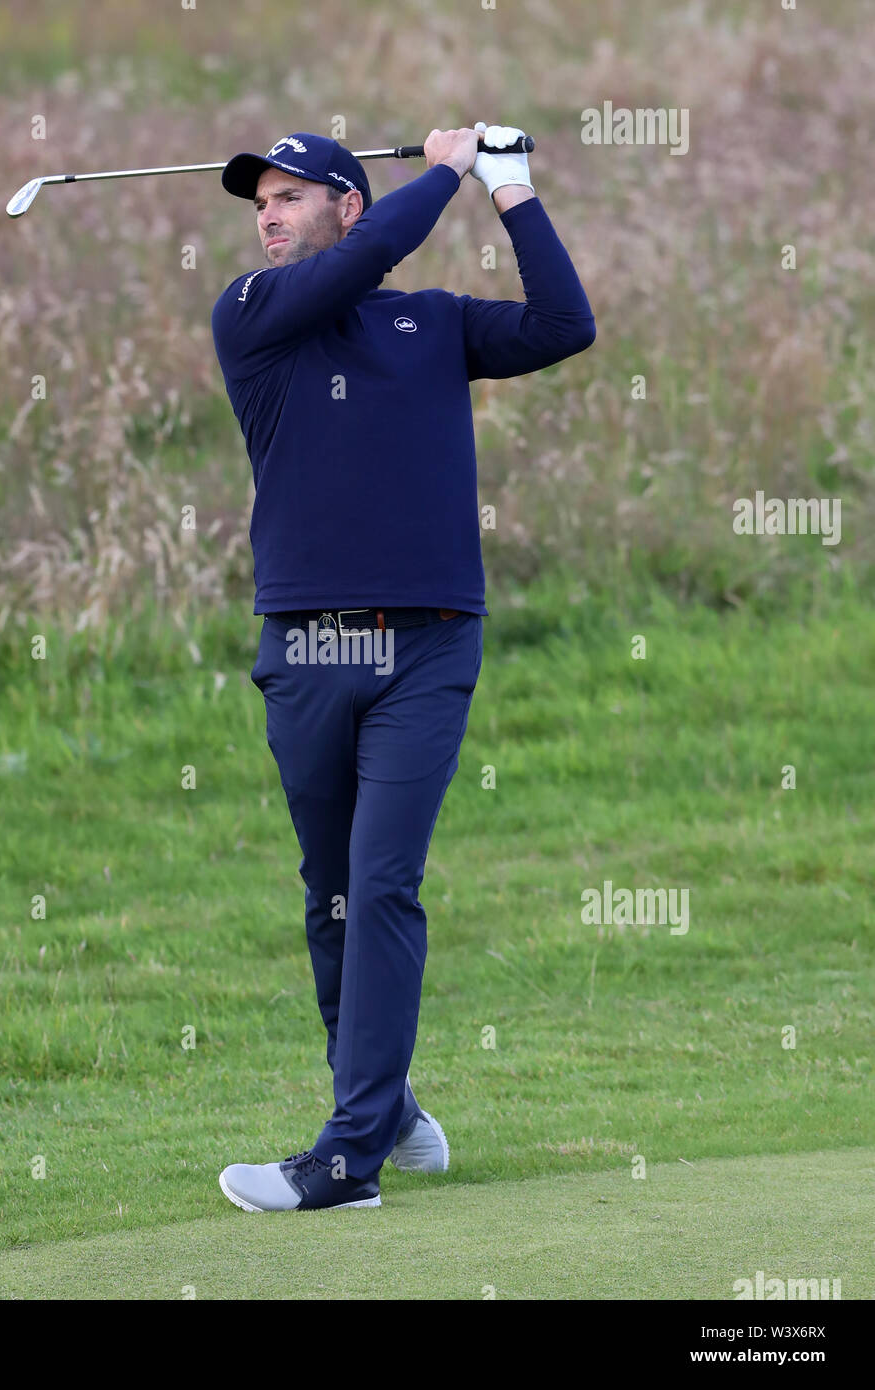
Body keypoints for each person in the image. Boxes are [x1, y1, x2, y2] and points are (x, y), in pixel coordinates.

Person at [210, 123, 595, 1211]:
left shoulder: (431, 323)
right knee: (328, 896)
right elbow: (363, 261)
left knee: (380, 884)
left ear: (344, 200)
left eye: (290, 196)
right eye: (258, 203)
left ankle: (346, 1159)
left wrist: (508, 187)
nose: (268, 215)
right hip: (306, 646)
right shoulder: (252, 316)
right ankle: (386, 1109)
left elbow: (565, 324)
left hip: (427, 642)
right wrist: (445, 167)